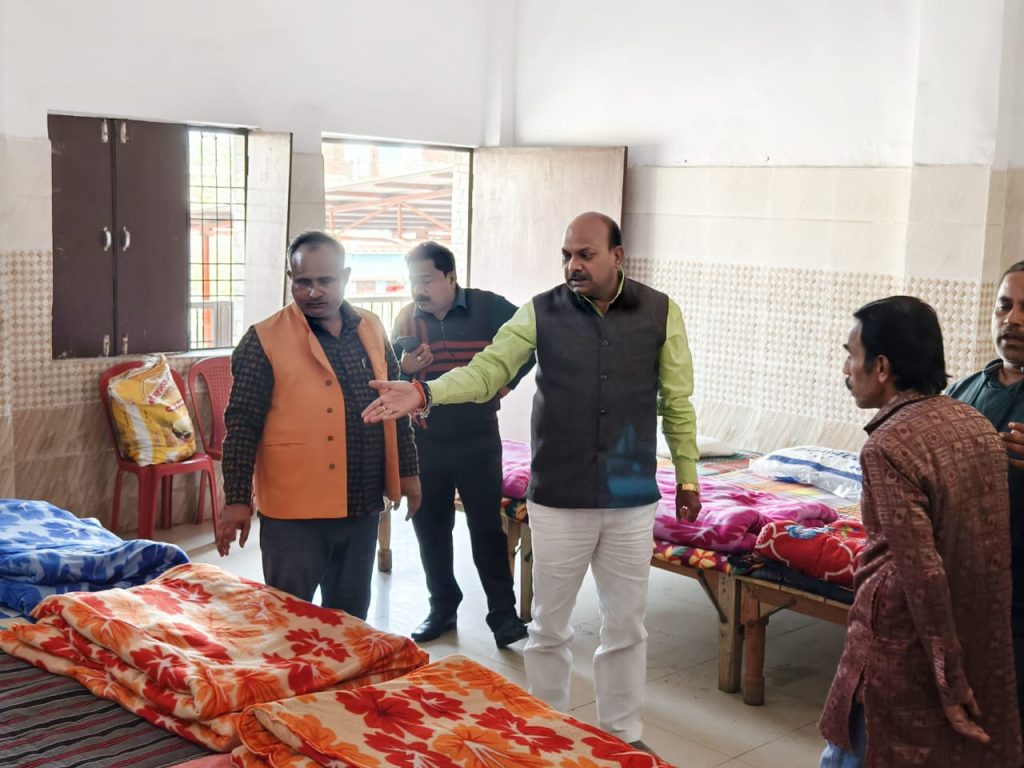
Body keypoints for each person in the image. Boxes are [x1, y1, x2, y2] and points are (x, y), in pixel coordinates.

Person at [362, 212, 701, 748]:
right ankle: (548, 734)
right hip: (559, 497)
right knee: (549, 627)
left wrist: (688, 477)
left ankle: (621, 734)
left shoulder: (660, 312)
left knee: (626, 626)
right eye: (566, 255)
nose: (573, 265)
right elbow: (488, 371)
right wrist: (427, 392)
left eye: (586, 255)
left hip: (631, 496)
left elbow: (676, 402)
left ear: (617, 256)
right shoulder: (540, 312)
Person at [819, 296, 1021, 767]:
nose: (846, 370)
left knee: (864, 750)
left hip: (900, 643)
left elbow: (921, 572)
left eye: (851, 355)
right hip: (976, 632)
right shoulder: (972, 421)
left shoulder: (888, 445)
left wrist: (949, 679)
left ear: (882, 367)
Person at [216, 231, 420, 621]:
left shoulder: (371, 328)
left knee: (350, 622)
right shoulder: (263, 340)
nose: (313, 292)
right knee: (289, 622)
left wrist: (408, 472)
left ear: (345, 276)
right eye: (302, 282)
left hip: (361, 504)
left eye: (325, 280)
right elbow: (241, 424)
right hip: (294, 513)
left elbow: (396, 403)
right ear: (290, 279)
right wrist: (237, 499)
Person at [392, 241, 535, 648]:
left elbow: (530, 344)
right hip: (425, 439)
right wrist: (404, 368)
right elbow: (389, 370)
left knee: (487, 529)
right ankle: (442, 607)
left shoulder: (490, 308)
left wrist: (507, 382)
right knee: (430, 527)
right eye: (413, 281)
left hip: (478, 436)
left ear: (451, 277)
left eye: (426, 280)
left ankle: (503, 616)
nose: (418, 290)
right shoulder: (406, 318)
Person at [947, 261, 1024, 735]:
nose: (1012, 320)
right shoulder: (964, 390)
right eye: (1004, 306)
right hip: (959, 594)